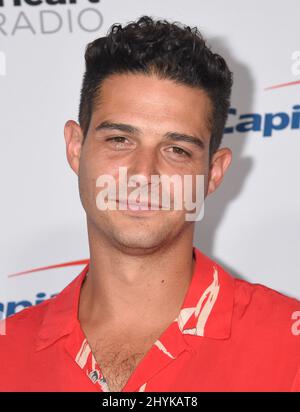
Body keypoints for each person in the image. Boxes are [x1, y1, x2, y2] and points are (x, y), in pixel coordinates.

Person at [0, 15, 299, 392]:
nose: (143, 173)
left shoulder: (290, 348)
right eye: (119, 140)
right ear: (76, 148)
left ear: (214, 173)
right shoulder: (6, 351)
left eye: (176, 149)